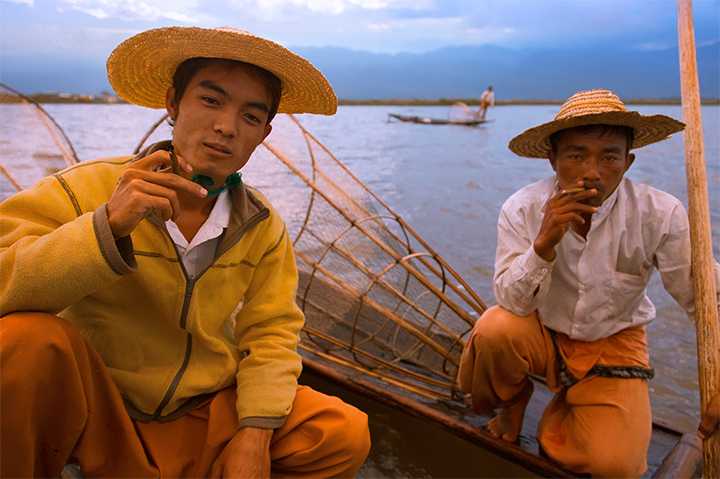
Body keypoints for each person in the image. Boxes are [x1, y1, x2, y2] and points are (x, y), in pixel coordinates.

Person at [0, 26, 370, 478]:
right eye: (211, 101)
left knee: (342, 432)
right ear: (173, 103)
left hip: (199, 410)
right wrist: (108, 226)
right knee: (22, 341)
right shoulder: (86, 187)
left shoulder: (261, 224)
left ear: (264, 133)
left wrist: (254, 434)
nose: (227, 127)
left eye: (251, 117)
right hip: (98, 411)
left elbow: (272, 331)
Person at [457, 88, 720, 477]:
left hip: (612, 341)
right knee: (495, 330)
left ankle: (570, 411)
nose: (592, 172)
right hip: (541, 332)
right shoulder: (523, 208)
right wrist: (543, 245)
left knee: (614, 466)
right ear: (553, 160)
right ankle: (515, 398)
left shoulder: (660, 214)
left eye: (609, 157)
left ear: (628, 162)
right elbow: (511, 301)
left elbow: (706, 299)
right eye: (576, 155)